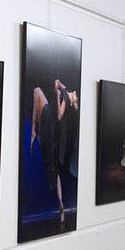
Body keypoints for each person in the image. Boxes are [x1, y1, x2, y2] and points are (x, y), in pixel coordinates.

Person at [29, 79, 79, 221]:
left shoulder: (64, 101)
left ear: (71, 101)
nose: (74, 94)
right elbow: (56, 82)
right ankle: (61, 203)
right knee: (54, 170)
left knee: (36, 90)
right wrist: (62, 88)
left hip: (48, 119)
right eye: (74, 95)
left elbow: (59, 115)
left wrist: (58, 98)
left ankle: (34, 132)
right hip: (49, 125)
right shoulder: (65, 93)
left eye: (74, 97)